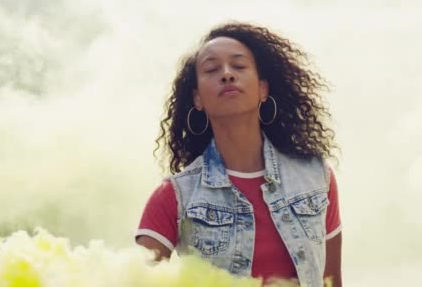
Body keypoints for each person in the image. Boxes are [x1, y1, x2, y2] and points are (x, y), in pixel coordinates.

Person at [136, 22, 342, 287]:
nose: (226, 74)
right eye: (211, 69)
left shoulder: (316, 177)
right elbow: (134, 278)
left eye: (239, 66)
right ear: (197, 99)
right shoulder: (175, 196)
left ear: (263, 89)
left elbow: (332, 281)